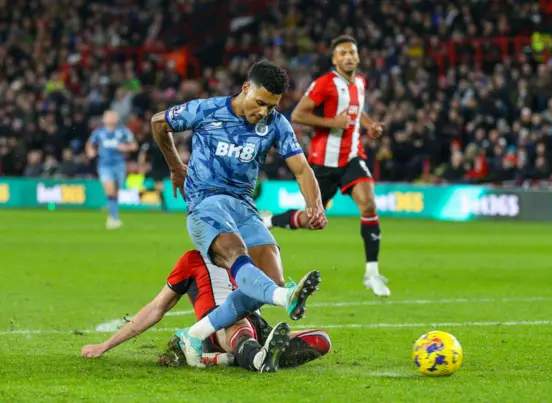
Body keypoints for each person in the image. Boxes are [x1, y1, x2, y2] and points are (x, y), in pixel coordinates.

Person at [150, 60, 327, 368]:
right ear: (246, 88)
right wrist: (175, 166)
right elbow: (157, 123)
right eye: (259, 102)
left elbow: (301, 169)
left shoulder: (275, 124)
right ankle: (286, 298)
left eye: (270, 106)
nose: (263, 111)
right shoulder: (207, 110)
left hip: (243, 207)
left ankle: (194, 335)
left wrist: (316, 205)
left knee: (270, 277)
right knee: (236, 253)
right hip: (206, 203)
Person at [264, 35, 390, 297]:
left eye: (352, 53)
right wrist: (333, 123)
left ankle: (372, 272)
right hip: (323, 163)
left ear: (358, 56)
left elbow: (357, 112)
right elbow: (298, 114)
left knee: (368, 203)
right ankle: (271, 219)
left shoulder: (361, 83)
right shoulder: (324, 84)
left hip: (352, 157)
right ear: (334, 59)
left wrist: (370, 126)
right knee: (312, 219)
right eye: (342, 53)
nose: (348, 57)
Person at [81, 250, 331, 372]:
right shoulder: (192, 259)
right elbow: (157, 307)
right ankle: (256, 359)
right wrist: (106, 345)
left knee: (322, 341)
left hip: (255, 320)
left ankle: (255, 355)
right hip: (216, 327)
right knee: (237, 325)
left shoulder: (244, 256)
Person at [86, 110, 138, 229]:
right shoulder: (99, 133)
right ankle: (114, 218)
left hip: (119, 165)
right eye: (108, 117)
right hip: (104, 165)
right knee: (110, 191)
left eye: (112, 116)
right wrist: (90, 151)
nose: (111, 119)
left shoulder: (123, 131)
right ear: (104, 119)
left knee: (115, 191)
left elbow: (134, 145)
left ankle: (111, 212)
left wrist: (125, 147)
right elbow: (90, 143)